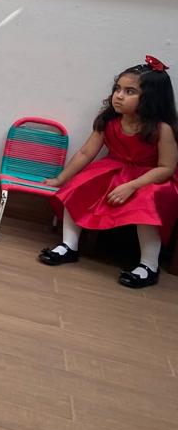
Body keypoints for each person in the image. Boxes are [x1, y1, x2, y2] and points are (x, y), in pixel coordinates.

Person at [39, 58, 178, 289]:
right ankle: (69, 245)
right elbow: (86, 153)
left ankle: (149, 265)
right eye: (117, 89)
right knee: (79, 185)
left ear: (152, 98)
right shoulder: (109, 121)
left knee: (147, 201)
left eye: (129, 91)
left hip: (150, 178)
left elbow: (166, 168)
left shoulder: (162, 129)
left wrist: (132, 185)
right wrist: (61, 179)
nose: (119, 96)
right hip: (114, 169)